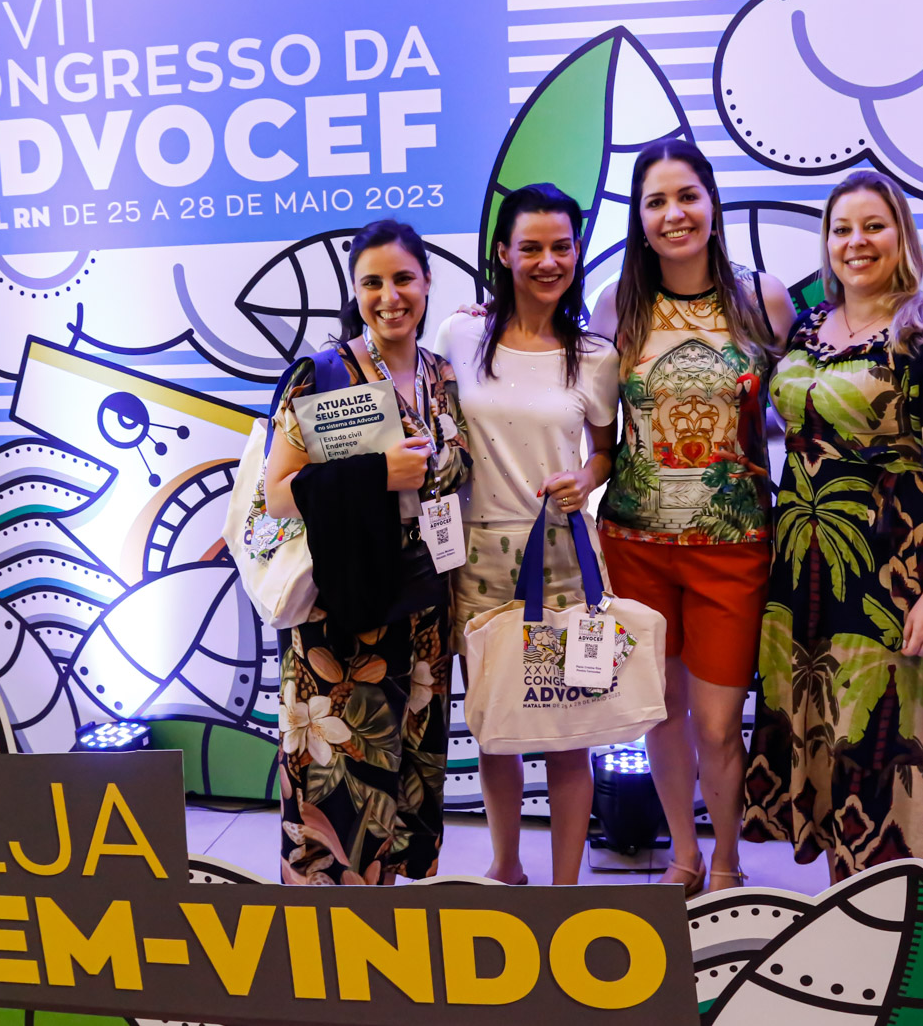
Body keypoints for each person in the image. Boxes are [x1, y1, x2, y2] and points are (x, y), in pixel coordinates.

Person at [741, 171, 923, 889]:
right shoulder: (806, 327)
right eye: (841, 228)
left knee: (882, 738)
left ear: (901, 235)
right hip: (802, 574)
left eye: (873, 226)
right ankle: (840, 902)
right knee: (825, 731)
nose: (856, 242)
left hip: (888, 572)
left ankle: (890, 913)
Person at [589, 139, 796, 894]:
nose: (673, 214)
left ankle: (728, 859)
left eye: (686, 196)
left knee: (715, 723)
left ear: (711, 203)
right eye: (655, 202)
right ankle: (684, 855)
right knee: (659, 714)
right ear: (639, 219)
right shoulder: (616, 303)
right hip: (634, 543)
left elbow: (803, 404)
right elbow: (582, 406)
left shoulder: (762, 299)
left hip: (732, 546)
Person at [264, 219, 470, 885]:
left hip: (423, 613)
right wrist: (377, 473)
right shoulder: (323, 374)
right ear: (355, 291)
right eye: (372, 282)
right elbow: (277, 494)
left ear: (427, 281)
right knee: (335, 788)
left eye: (403, 278)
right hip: (344, 622)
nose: (389, 296)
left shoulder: (440, 374)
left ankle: (389, 926)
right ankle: (327, 935)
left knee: (406, 785)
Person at [433, 183, 620, 886]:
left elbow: (606, 451)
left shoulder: (594, 355)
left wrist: (585, 478)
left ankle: (564, 890)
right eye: (531, 247)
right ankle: (506, 868)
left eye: (561, 246)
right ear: (504, 254)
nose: (548, 261)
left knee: (568, 732)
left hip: (561, 559)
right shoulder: (459, 336)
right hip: (476, 559)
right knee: (497, 727)